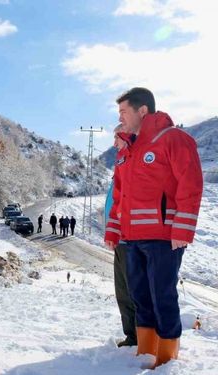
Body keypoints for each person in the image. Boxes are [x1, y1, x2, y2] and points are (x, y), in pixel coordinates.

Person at [104, 87, 203, 368]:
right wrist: (113, 231)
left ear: (142, 110)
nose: (120, 117)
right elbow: (120, 198)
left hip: (163, 238)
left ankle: (167, 358)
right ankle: (146, 353)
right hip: (132, 239)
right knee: (140, 297)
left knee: (162, 297)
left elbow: (191, 184)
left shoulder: (173, 139)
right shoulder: (126, 151)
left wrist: (182, 230)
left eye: (123, 111)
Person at [105, 124, 137, 348]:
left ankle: (139, 338)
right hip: (119, 239)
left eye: (116, 137)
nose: (114, 143)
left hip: (130, 239)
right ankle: (132, 336)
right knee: (122, 292)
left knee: (132, 292)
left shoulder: (133, 164)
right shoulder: (121, 164)